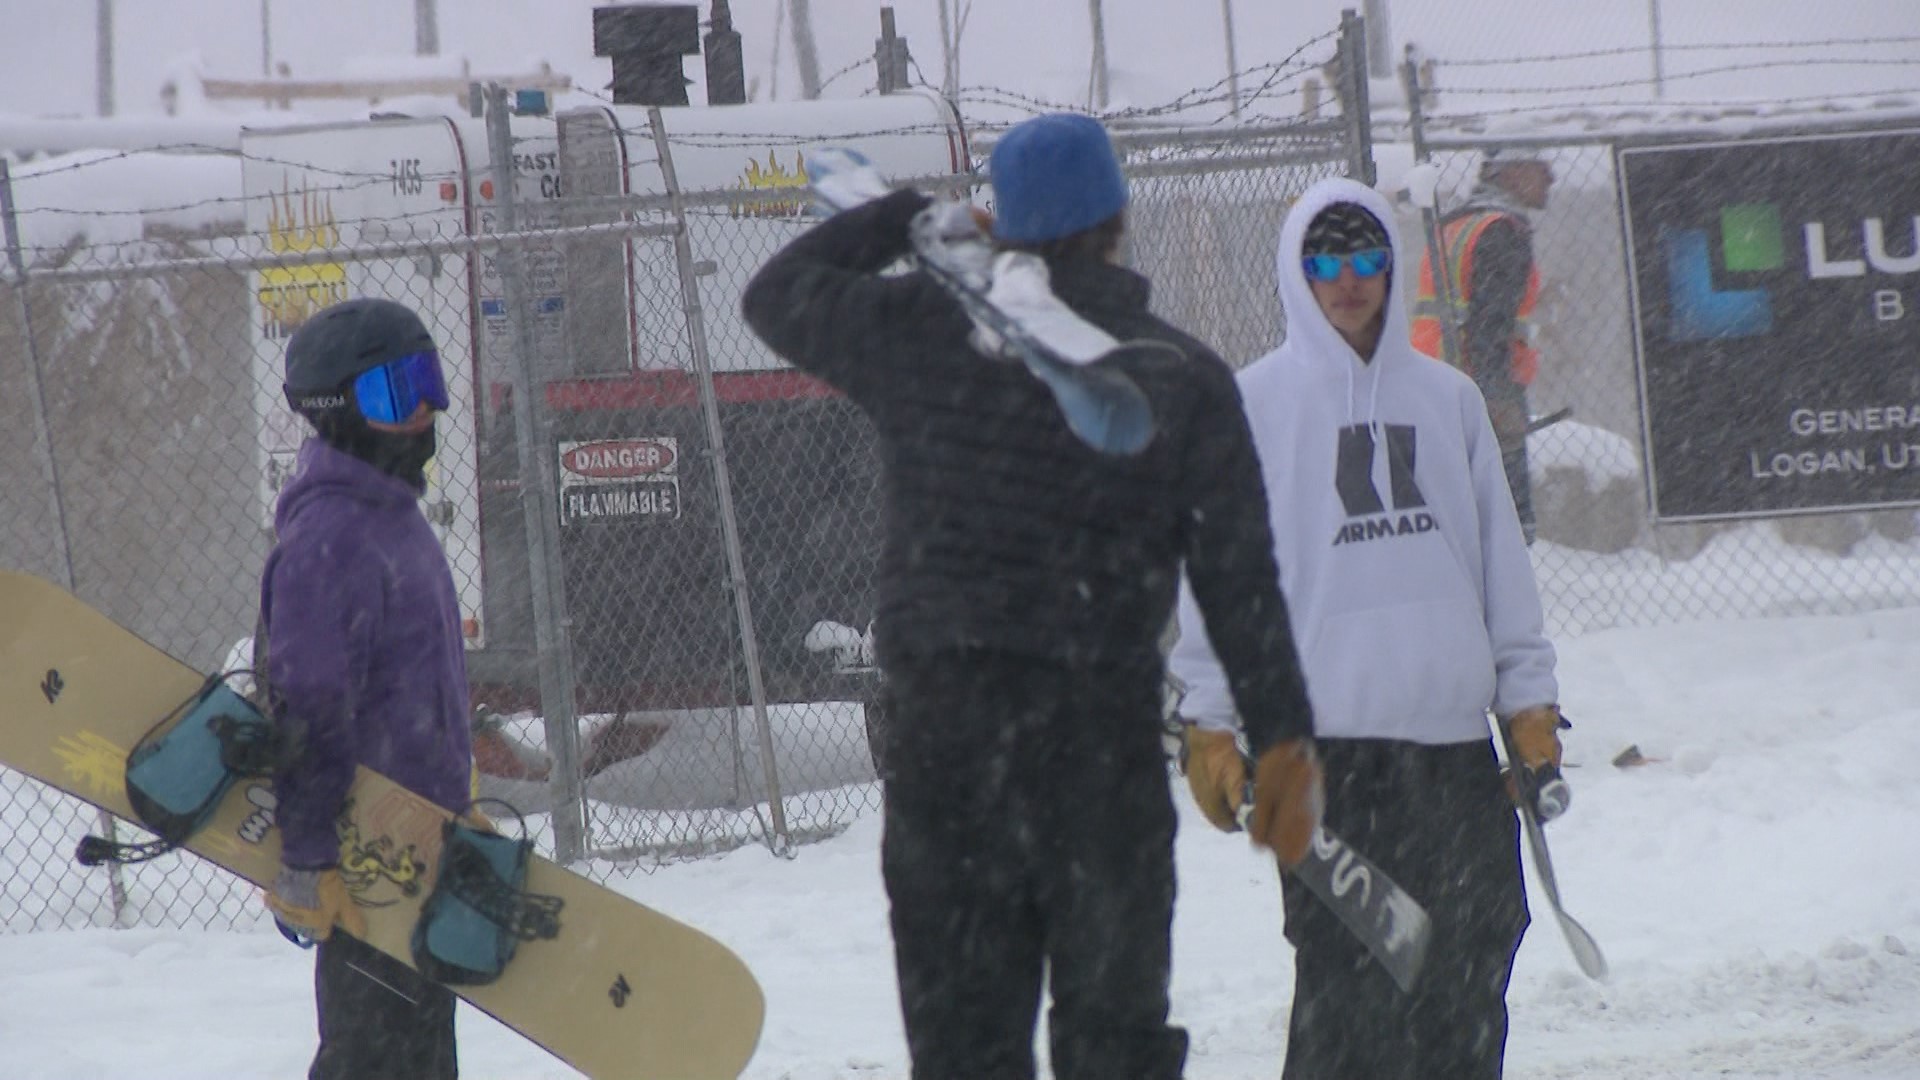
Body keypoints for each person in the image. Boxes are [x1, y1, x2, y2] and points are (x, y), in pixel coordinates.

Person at [741, 113, 1321, 1080]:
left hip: (947, 750)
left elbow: (775, 296)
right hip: (1098, 747)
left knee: (966, 1045)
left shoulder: (920, 336)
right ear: (1117, 220)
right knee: (1114, 1040)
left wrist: (899, 219)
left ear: (1000, 222)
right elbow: (1240, 582)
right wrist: (1285, 737)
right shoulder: (1177, 376)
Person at [1171, 177, 1567, 1080]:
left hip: (1453, 758)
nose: (1348, 279)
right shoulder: (1254, 406)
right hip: (1326, 763)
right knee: (1351, 1005)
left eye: (1366, 257)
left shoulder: (1451, 400)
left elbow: (1501, 569)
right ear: (1295, 272)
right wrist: (1211, 722)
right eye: (1325, 259)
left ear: (1394, 265)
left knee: (1469, 974)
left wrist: (1530, 705)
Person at [258, 296, 474, 1080]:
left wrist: (459, 798)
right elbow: (309, 706)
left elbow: (422, 685)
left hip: (420, 848)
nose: (422, 411)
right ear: (337, 409)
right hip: (363, 858)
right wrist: (308, 858)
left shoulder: (393, 519)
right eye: (394, 392)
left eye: (428, 381)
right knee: (376, 1060)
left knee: (417, 1057)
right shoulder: (334, 536)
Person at [1410, 147, 1555, 543]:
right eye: (1540, 165)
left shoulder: (1454, 225)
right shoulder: (1501, 231)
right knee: (1506, 521)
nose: (1551, 177)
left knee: (1451, 510)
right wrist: (1497, 399)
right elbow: (1491, 324)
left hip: (1431, 379)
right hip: (1479, 384)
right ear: (1508, 172)